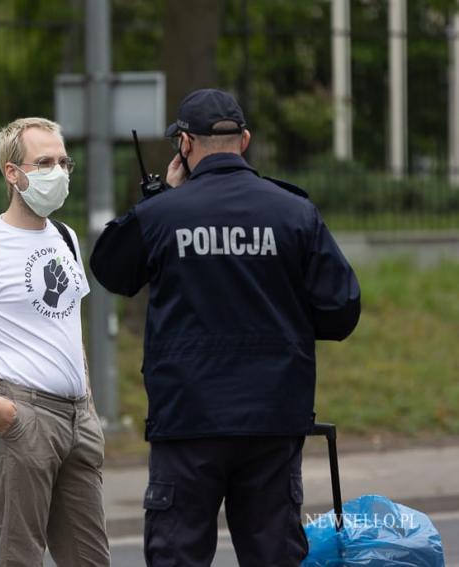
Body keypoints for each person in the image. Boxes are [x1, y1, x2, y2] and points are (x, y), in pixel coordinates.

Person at [90, 89, 361, 567]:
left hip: (188, 421)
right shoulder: (294, 211)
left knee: (178, 556)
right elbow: (341, 311)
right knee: (274, 556)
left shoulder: (162, 215)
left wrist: (159, 198)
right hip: (274, 420)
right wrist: (287, 322)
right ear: (246, 140)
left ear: (185, 146)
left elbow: (112, 272)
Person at [0, 117, 110, 567]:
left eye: (64, 162)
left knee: (91, 560)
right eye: (45, 162)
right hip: (20, 416)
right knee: (20, 558)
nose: (59, 172)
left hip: (76, 419)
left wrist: (85, 394)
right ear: (13, 173)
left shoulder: (66, 238)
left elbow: (70, 323)